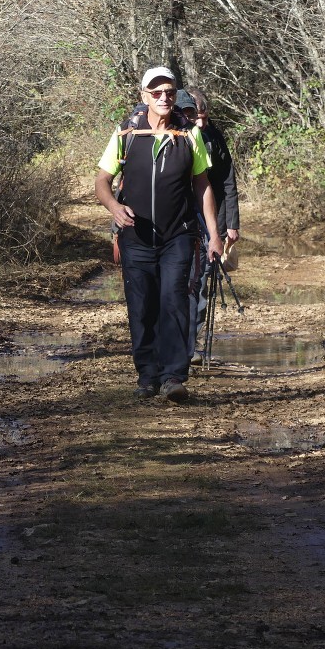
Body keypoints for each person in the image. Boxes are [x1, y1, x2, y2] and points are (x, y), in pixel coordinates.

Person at [95, 66, 222, 402]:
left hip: (179, 235)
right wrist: (114, 208)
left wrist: (214, 234)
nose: (164, 98)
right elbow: (101, 182)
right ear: (144, 97)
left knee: (174, 301)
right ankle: (147, 376)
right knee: (142, 306)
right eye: (156, 93)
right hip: (135, 237)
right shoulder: (126, 134)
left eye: (169, 92)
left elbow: (203, 186)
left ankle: (173, 377)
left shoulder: (189, 135)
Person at [178, 87, 241, 365]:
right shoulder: (176, 136)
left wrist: (230, 225)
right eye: (195, 117)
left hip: (210, 223)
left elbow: (228, 183)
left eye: (204, 117)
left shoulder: (215, 138)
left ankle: (190, 345)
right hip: (179, 221)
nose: (200, 123)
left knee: (200, 282)